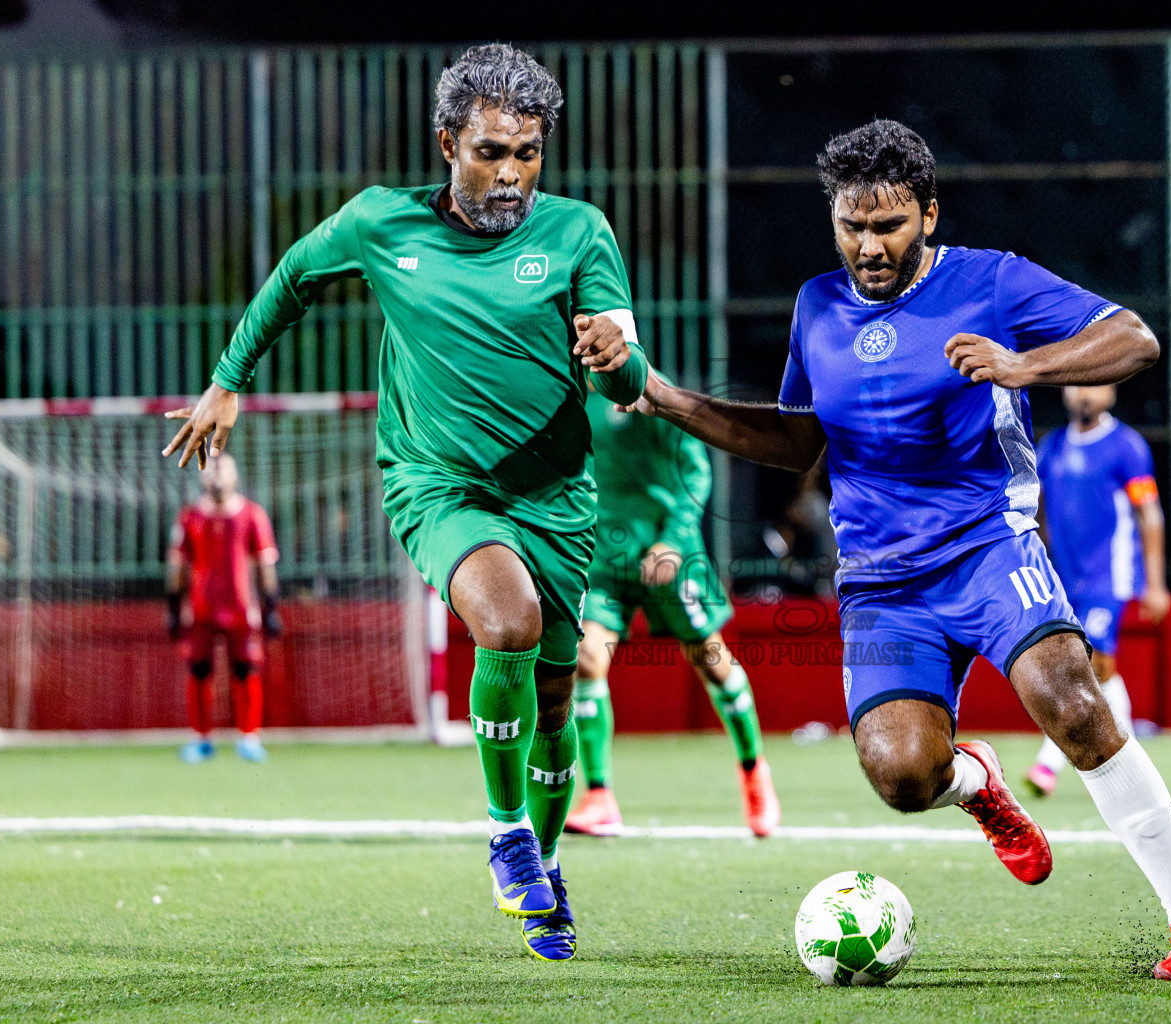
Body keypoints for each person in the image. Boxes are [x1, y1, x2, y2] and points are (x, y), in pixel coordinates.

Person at [622, 120, 1171, 980]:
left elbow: (1135, 338)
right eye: (852, 226)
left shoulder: (991, 280)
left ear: (929, 215)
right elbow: (797, 442)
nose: (869, 246)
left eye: (890, 225)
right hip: (881, 583)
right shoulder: (817, 306)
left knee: (1073, 702)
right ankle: (977, 785)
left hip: (989, 544)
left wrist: (1026, 366)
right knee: (903, 777)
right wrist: (665, 396)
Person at [159, 43, 649, 963]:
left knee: (555, 703)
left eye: (529, 153)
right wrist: (227, 379)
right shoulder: (382, 223)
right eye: (491, 152)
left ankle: (546, 862)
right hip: (438, 484)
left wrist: (615, 360)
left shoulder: (580, 232)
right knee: (505, 620)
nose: (512, 173)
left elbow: (626, 370)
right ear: (448, 144)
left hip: (555, 498)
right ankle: (507, 833)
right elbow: (293, 277)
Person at [567, 391, 781, 837]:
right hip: (604, 555)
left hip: (666, 554)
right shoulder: (572, 398)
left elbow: (696, 472)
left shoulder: (651, 394)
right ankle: (600, 795)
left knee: (712, 663)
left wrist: (673, 540)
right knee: (586, 659)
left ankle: (753, 770)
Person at [1024, 385, 1170, 798]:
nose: (1084, 394)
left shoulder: (1126, 446)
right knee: (1102, 669)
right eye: (1077, 385)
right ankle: (1131, 758)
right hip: (1064, 577)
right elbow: (1037, 509)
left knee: (1090, 662)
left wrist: (1156, 583)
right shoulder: (1051, 447)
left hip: (1110, 575)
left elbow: (1149, 512)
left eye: (1094, 385)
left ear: (1112, 391)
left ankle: (1048, 763)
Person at [166, 453, 280, 764]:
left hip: (241, 607)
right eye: (211, 472)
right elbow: (178, 565)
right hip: (201, 608)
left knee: (245, 670)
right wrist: (173, 607)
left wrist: (271, 607)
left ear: (235, 476)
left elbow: (265, 564)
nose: (217, 478)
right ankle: (201, 739)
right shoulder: (189, 517)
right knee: (199, 671)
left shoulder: (252, 515)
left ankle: (249, 738)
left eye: (223, 471)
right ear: (203, 478)